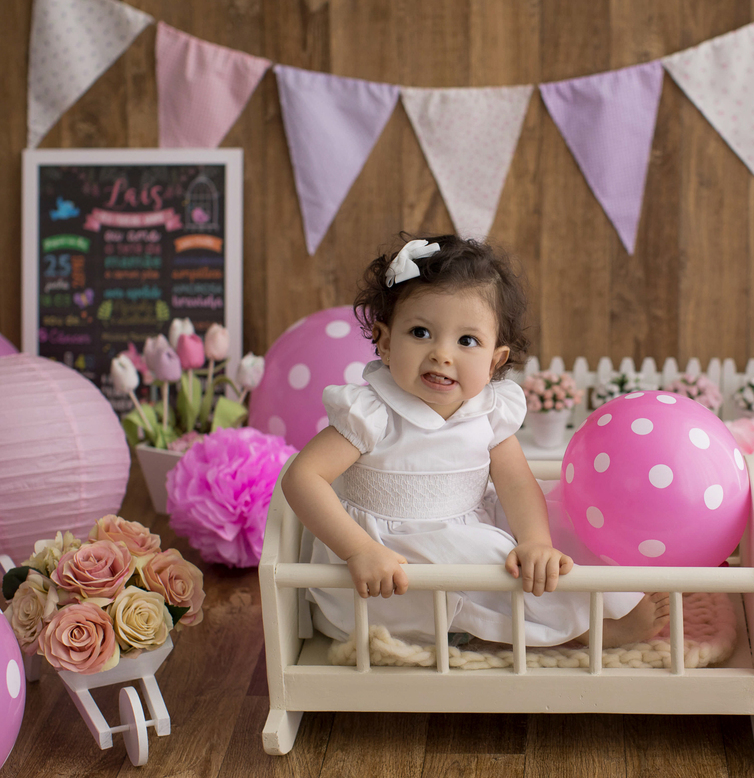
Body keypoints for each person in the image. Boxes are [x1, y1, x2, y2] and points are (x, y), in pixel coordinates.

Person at [281, 234, 670, 648]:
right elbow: (302, 478)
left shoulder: (488, 411)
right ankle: (587, 632)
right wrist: (358, 549)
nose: (442, 355)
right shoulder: (372, 412)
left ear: (494, 361)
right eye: (420, 332)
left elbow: (518, 484)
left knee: (556, 530)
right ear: (385, 341)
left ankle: (597, 602)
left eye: (467, 341)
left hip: (469, 523)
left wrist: (535, 542)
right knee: (491, 565)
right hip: (391, 561)